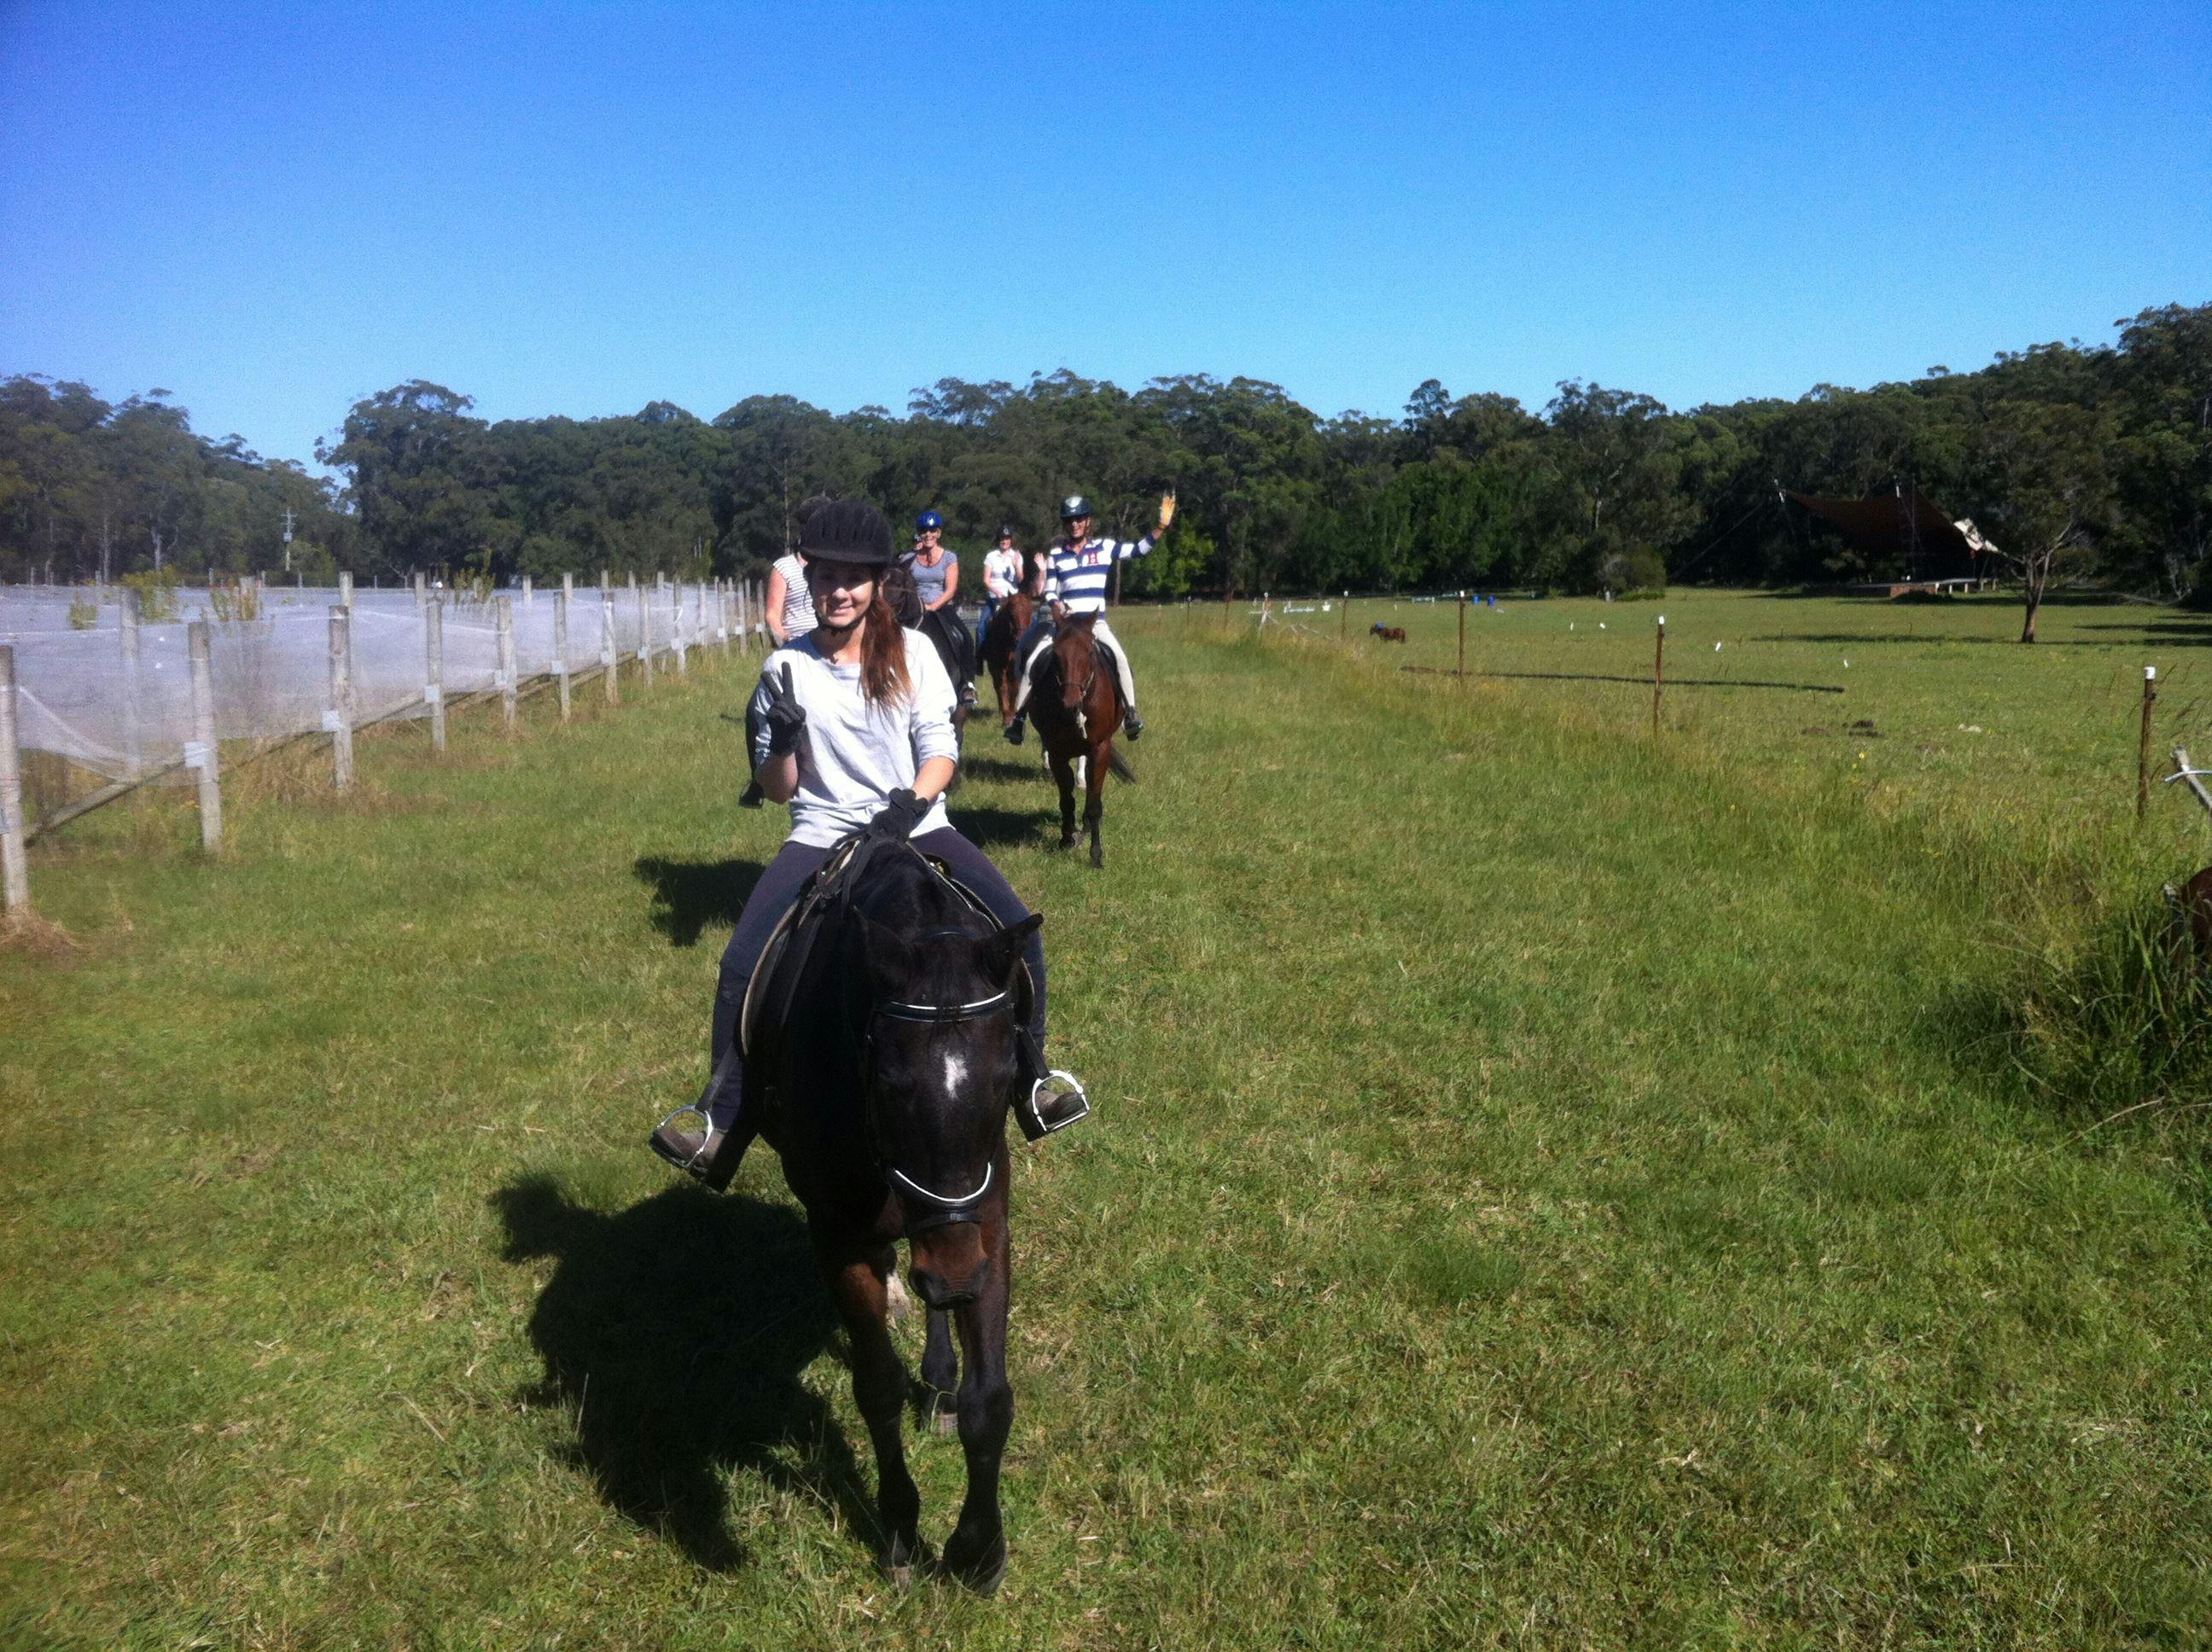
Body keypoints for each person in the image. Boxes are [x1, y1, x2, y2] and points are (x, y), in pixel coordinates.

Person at [649, 499, 1084, 1187]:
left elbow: (941, 752)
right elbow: (778, 788)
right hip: (821, 832)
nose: (839, 591)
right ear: (808, 579)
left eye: (853, 578)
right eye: (826, 577)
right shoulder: (782, 670)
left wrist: (907, 806)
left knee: (1017, 932)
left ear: (878, 583)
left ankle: (1033, 1078)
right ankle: (723, 1115)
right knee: (740, 962)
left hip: (918, 825)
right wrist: (784, 744)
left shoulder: (914, 653)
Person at [1005, 491, 1174, 745]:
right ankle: (1018, 720)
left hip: (1095, 624)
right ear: (1065, 523)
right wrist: (1054, 604)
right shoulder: (1056, 555)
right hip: (1064, 624)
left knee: (1120, 659)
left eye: (1079, 519)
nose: (1075, 524)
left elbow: (1138, 549)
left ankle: (1130, 713)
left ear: (1087, 521)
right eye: (1070, 520)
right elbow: (1050, 588)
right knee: (1032, 664)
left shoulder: (1104, 548)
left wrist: (1161, 527)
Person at [904, 509, 976, 707]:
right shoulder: (908, 559)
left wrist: (932, 607)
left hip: (942, 608)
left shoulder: (949, 558)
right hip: (914, 609)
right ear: (920, 533)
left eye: (932, 530)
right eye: (924, 530)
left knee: (965, 638)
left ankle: (967, 684)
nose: (928, 534)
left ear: (939, 533)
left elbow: (950, 590)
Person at [978, 525, 1023, 650]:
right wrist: (995, 591)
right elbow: (986, 580)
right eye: (1002, 538)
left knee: (1029, 624)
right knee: (981, 627)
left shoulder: (1016, 556)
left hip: (1012, 598)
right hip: (995, 598)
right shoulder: (991, 556)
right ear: (999, 540)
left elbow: (1020, 579)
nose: (1005, 541)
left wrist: (1016, 566)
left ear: (1011, 540)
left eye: (1007, 538)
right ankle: (980, 658)